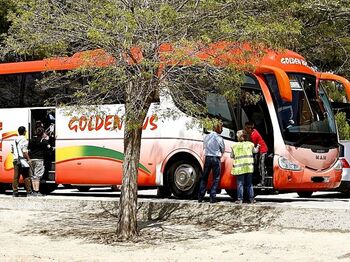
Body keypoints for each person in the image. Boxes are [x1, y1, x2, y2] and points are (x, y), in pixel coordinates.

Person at [198, 122, 225, 203]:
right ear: (218, 128)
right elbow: (222, 149)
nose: (222, 130)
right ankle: (212, 197)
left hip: (208, 158)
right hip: (216, 158)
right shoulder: (219, 138)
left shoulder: (206, 136)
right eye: (221, 128)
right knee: (216, 178)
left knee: (204, 177)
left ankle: (200, 196)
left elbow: (204, 146)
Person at [231, 130, 259, 204]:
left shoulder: (234, 146)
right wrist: (258, 147)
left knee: (240, 184)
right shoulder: (250, 144)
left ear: (238, 137)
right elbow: (255, 151)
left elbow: (231, 156)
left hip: (239, 169)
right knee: (249, 184)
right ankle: (252, 199)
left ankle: (240, 199)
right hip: (248, 168)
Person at [28, 127, 51, 196]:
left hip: (32, 159)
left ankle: (34, 191)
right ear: (43, 133)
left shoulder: (31, 140)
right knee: (37, 176)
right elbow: (49, 148)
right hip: (39, 159)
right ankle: (37, 191)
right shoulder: (43, 141)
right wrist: (47, 140)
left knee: (33, 176)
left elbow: (29, 149)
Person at [244, 121, 268, 186]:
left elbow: (252, 145)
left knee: (261, 166)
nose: (245, 130)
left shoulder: (254, 135)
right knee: (259, 165)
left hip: (262, 150)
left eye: (246, 128)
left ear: (249, 128)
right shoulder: (253, 132)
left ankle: (263, 182)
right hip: (260, 150)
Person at [12, 126, 32, 197]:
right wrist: (29, 159)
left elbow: (12, 150)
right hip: (22, 160)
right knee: (26, 176)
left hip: (15, 160)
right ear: (24, 132)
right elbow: (24, 152)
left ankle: (15, 192)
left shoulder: (14, 140)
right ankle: (29, 192)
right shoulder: (24, 140)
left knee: (16, 177)